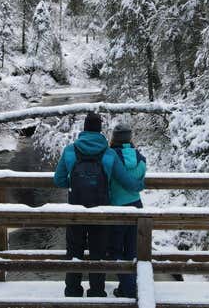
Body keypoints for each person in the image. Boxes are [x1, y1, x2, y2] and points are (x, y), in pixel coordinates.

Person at [53, 113, 145, 298]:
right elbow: (126, 182)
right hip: (101, 210)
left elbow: (59, 180)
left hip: (75, 210)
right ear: (100, 130)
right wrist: (140, 185)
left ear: (84, 129)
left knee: (74, 250)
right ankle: (96, 291)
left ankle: (72, 291)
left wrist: (74, 182)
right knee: (98, 252)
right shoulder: (108, 153)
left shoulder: (70, 150)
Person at [107, 123, 147, 298]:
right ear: (130, 138)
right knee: (132, 250)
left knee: (115, 250)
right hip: (136, 206)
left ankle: (128, 288)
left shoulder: (110, 157)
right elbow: (139, 179)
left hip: (117, 207)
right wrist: (138, 185)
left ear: (114, 138)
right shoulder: (140, 158)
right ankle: (129, 287)